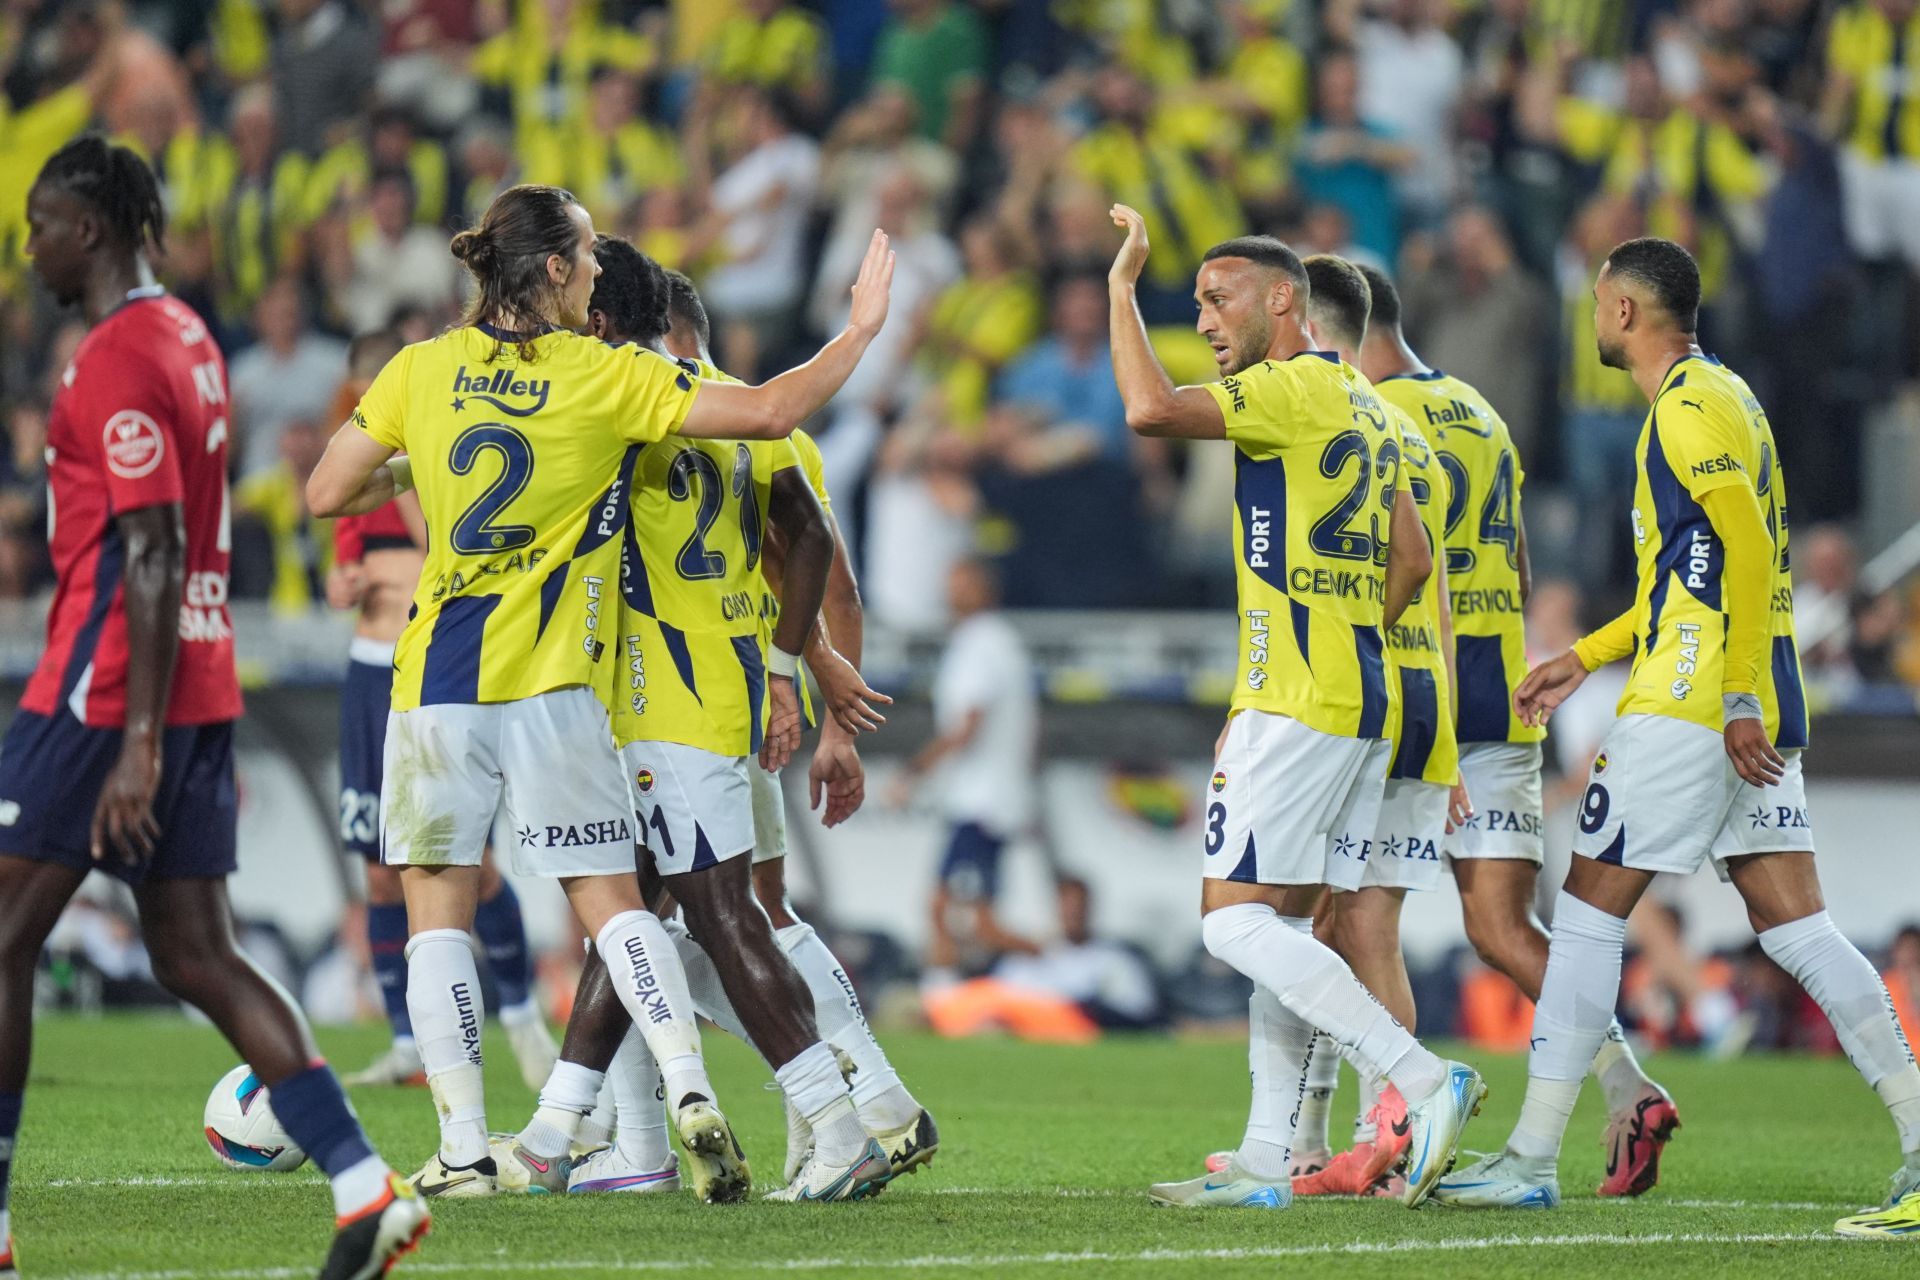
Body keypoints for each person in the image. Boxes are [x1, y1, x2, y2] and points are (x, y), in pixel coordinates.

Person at [304, 182, 896, 1201]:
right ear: (555, 272)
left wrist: (413, 473)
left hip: (439, 673)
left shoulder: (421, 368)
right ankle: (684, 1088)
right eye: (583, 255)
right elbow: (770, 412)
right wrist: (859, 330)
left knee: (434, 906)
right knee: (622, 906)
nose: (593, 272)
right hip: (560, 683)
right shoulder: (602, 373)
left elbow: (323, 492)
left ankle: (460, 1144)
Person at [1431, 240, 1920, 1244]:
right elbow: (1685, 577)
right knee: (1797, 928)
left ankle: (1528, 1156)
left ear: (1619, 311)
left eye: (1597, 306)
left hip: (1698, 700)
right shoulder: (1728, 395)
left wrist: (1735, 693)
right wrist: (1587, 653)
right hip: (1738, 685)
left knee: (1585, 916)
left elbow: (1742, 544)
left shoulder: (1686, 409)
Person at [0, 134, 427, 1280]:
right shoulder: (192, 335)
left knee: (2, 935)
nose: (27, 244)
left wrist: (132, 741)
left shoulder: (116, 356)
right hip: (195, 673)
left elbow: (150, 544)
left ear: (88, 228)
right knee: (196, 950)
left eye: (38, 224)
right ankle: (361, 1185)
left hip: (103, 687)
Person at [1102, 204, 1484, 1212]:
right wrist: (1346, 625)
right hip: (1360, 691)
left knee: (1231, 925)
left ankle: (1418, 1076)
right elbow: (1412, 557)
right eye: (1192, 303)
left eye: (1218, 299)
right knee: (1292, 923)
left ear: (1285, 300)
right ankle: (1274, 1151)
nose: (1207, 321)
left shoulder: (1290, 389)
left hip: (1304, 697)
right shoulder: (1367, 404)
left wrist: (1119, 288)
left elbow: (1146, 408)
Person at [1356, 261, 1677, 1198]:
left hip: (1433, 701)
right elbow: (1521, 559)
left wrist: (1432, 719)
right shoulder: (1480, 412)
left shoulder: (1382, 418)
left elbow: (1419, 571)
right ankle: (1626, 1086)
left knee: (1355, 912)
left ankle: (1389, 1127)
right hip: (1506, 696)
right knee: (1502, 926)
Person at [662, 270, 938, 1185]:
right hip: (756, 698)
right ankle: (867, 1109)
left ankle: (613, 1142)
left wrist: (818, 700)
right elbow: (833, 584)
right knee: (750, 915)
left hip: (689, 701)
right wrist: (834, 727)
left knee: (671, 923)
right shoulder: (777, 430)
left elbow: (807, 567)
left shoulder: (648, 418)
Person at [324, 330, 558, 1094]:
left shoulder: (436, 457)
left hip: (438, 674)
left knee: (468, 865)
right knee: (382, 874)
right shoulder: (363, 480)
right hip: (369, 674)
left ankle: (523, 1018)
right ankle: (404, 1043)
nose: (368, 410)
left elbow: (443, 551)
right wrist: (350, 584)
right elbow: (346, 566)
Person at [1285, 255, 1469, 1201]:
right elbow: (1432, 573)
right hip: (1425, 701)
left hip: (1360, 699)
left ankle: (1353, 1132)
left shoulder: (1322, 417)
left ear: (1308, 325)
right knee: (1363, 927)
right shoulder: (1407, 431)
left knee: (1314, 921)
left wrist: (1359, 638)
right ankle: (1359, 1138)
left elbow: (1399, 578)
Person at [894, 559, 1043, 978]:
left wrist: (913, 773)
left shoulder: (981, 641)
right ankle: (1046, 967)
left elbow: (968, 725)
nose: (951, 594)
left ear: (985, 588)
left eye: (961, 584)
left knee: (945, 911)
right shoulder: (1000, 641)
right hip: (996, 797)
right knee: (976, 920)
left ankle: (1057, 966)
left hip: (982, 800)